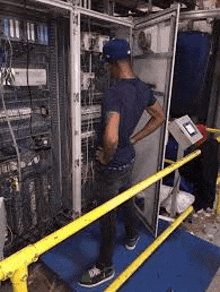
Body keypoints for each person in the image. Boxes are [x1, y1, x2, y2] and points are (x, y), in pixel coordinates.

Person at [79, 38, 165, 288]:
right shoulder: (142, 88)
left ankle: (105, 266)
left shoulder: (113, 94)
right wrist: (135, 138)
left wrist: (106, 155)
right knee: (126, 197)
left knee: (107, 213)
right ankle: (132, 234)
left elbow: (112, 136)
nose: (108, 70)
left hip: (111, 165)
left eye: (108, 66)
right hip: (128, 159)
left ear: (114, 65)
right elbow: (159, 116)